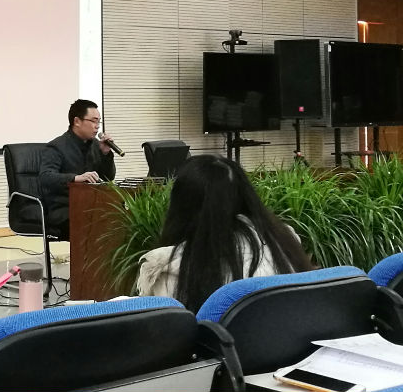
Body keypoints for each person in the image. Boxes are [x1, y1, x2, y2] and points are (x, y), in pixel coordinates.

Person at [136, 155, 314, 312]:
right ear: (246, 196)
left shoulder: (166, 267)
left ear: (181, 207)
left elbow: (166, 330)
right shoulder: (283, 241)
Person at [39, 99, 116, 239]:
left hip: (91, 204)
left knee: (118, 216)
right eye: (93, 121)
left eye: (99, 122)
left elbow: (108, 178)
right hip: (65, 208)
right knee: (97, 222)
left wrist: (106, 154)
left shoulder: (96, 145)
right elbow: (46, 177)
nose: (97, 126)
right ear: (77, 121)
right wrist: (75, 178)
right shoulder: (56, 147)